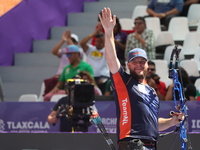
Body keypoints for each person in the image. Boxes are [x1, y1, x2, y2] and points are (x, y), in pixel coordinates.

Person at [99, 7, 184, 150]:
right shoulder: (124, 81)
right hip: (131, 143)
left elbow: (153, 124)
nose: (138, 65)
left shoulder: (152, 91)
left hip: (151, 144)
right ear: (128, 65)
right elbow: (111, 59)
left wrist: (172, 121)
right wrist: (109, 32)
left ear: (147, 65)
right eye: (134, 62)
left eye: (142, 62)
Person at [43, 30, 86, 96]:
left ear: (77, 43)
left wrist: (68, 39)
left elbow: (73, 49)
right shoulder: (64, 50)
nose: (70, 41)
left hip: (72, 77)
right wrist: (63, 40)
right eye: (70, 40)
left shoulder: (79, 51)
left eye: (73, 40)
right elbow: (54, 52)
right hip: (60, 76)